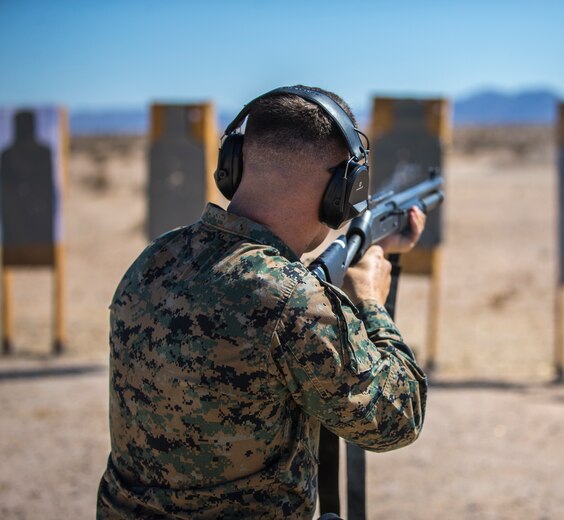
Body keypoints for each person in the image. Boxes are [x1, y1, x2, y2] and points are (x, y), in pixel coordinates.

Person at [96, 86, 428, 518]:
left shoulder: (156, 259)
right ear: (341, 190)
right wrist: (371, 302)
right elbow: (397, 418)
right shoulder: (293, 301)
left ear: (234, 164)